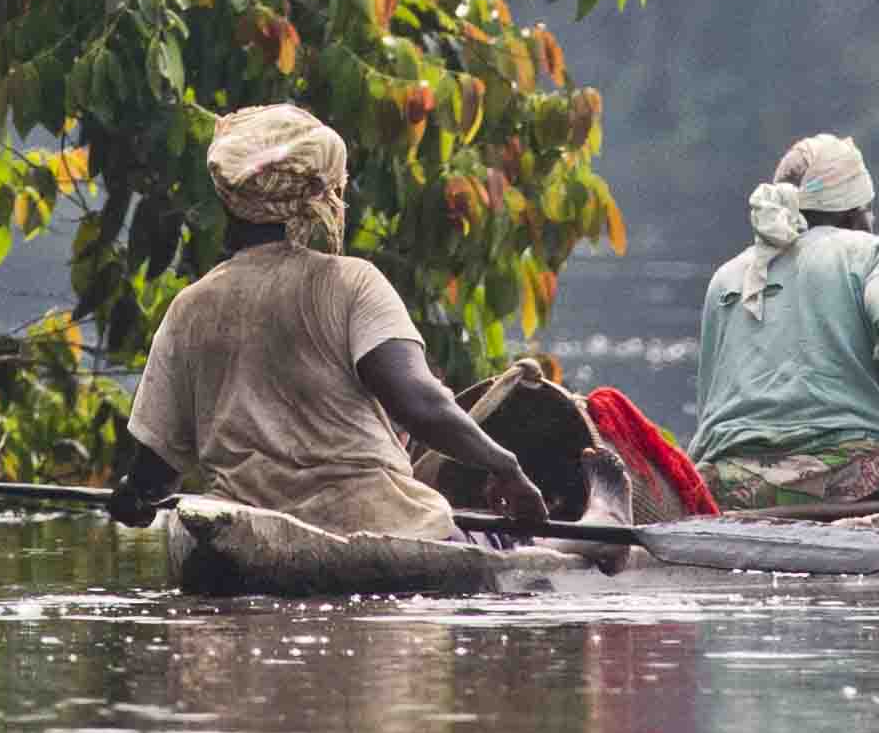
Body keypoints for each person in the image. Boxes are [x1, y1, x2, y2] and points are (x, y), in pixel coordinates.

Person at [107, 103, 553, 543]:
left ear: (228, 196)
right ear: (321, 193)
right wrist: (505, 467)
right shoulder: (351, 283)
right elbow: (418, 404)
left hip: (248, 532)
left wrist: (136, 494)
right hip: (376, 525)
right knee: (504, 554)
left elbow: (155, 469)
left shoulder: (189, 307)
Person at [686, 132, 879, 506]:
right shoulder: (873, 253)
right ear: (853, 214)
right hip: (845, 479)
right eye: (869, 211)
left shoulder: (727, 276)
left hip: (730, 487)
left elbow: (710, 407)